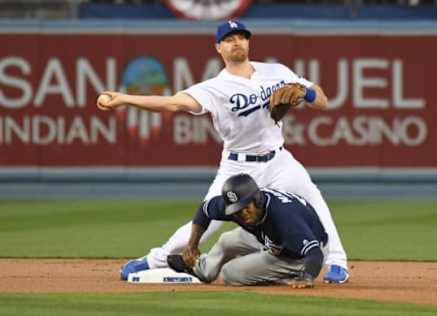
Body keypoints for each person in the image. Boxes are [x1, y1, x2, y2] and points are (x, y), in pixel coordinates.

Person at [98, 20, 349, 283]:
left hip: (279, 160)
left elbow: (322, 99)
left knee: (315, 200)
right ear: (219, 48)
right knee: (207, 221)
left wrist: (306, 94)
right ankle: (154, 259)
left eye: (241, 37)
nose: (237, 42)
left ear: (249, 42)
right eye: (229, 39)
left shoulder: (277, 71)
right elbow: (172, 103)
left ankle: (337, 262)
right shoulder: (214, 88)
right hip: (238, 167)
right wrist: (126, 99)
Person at [167, 173, 328, 288]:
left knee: (231, 274)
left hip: (298, 254)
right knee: (226, 241)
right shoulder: (238, 204)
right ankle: (201, 269)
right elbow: (204, 211)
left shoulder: (284, 218)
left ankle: (287, 275)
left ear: (257, 200)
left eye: (245, 208)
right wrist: (192, 245)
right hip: (273, 238)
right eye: (236, 210)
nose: (242, 214)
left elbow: (314, 252)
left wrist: (307, 277)